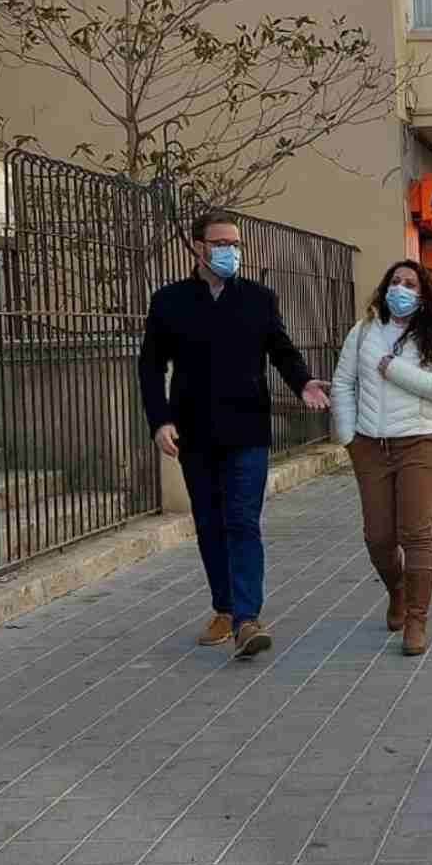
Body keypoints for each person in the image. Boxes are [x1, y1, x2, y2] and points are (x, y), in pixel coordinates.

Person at [139, 210, 331, 659]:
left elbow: (281, 349)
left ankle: (247, 618)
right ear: (198, 247)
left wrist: (302, 382)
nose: (230, 252)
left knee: (243, 521)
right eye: (221, 243)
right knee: (209, 523)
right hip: (194, 432)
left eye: (235, 244)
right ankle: (223, 607)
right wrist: (160, 420)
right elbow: (150, 366)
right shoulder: (170, 301)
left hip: (247, 430)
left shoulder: (259, 299)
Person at [331, 261, 432, 656]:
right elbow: (342, 383)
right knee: (378, 537)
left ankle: (417, 620)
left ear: (424, 296)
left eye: (410, 284)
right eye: (395, 282)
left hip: (420, 442)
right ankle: (398, 590)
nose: (400, 289)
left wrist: (393, 369)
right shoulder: (365, 331)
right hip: (371, 445)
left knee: (416, 533)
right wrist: (349, 437)